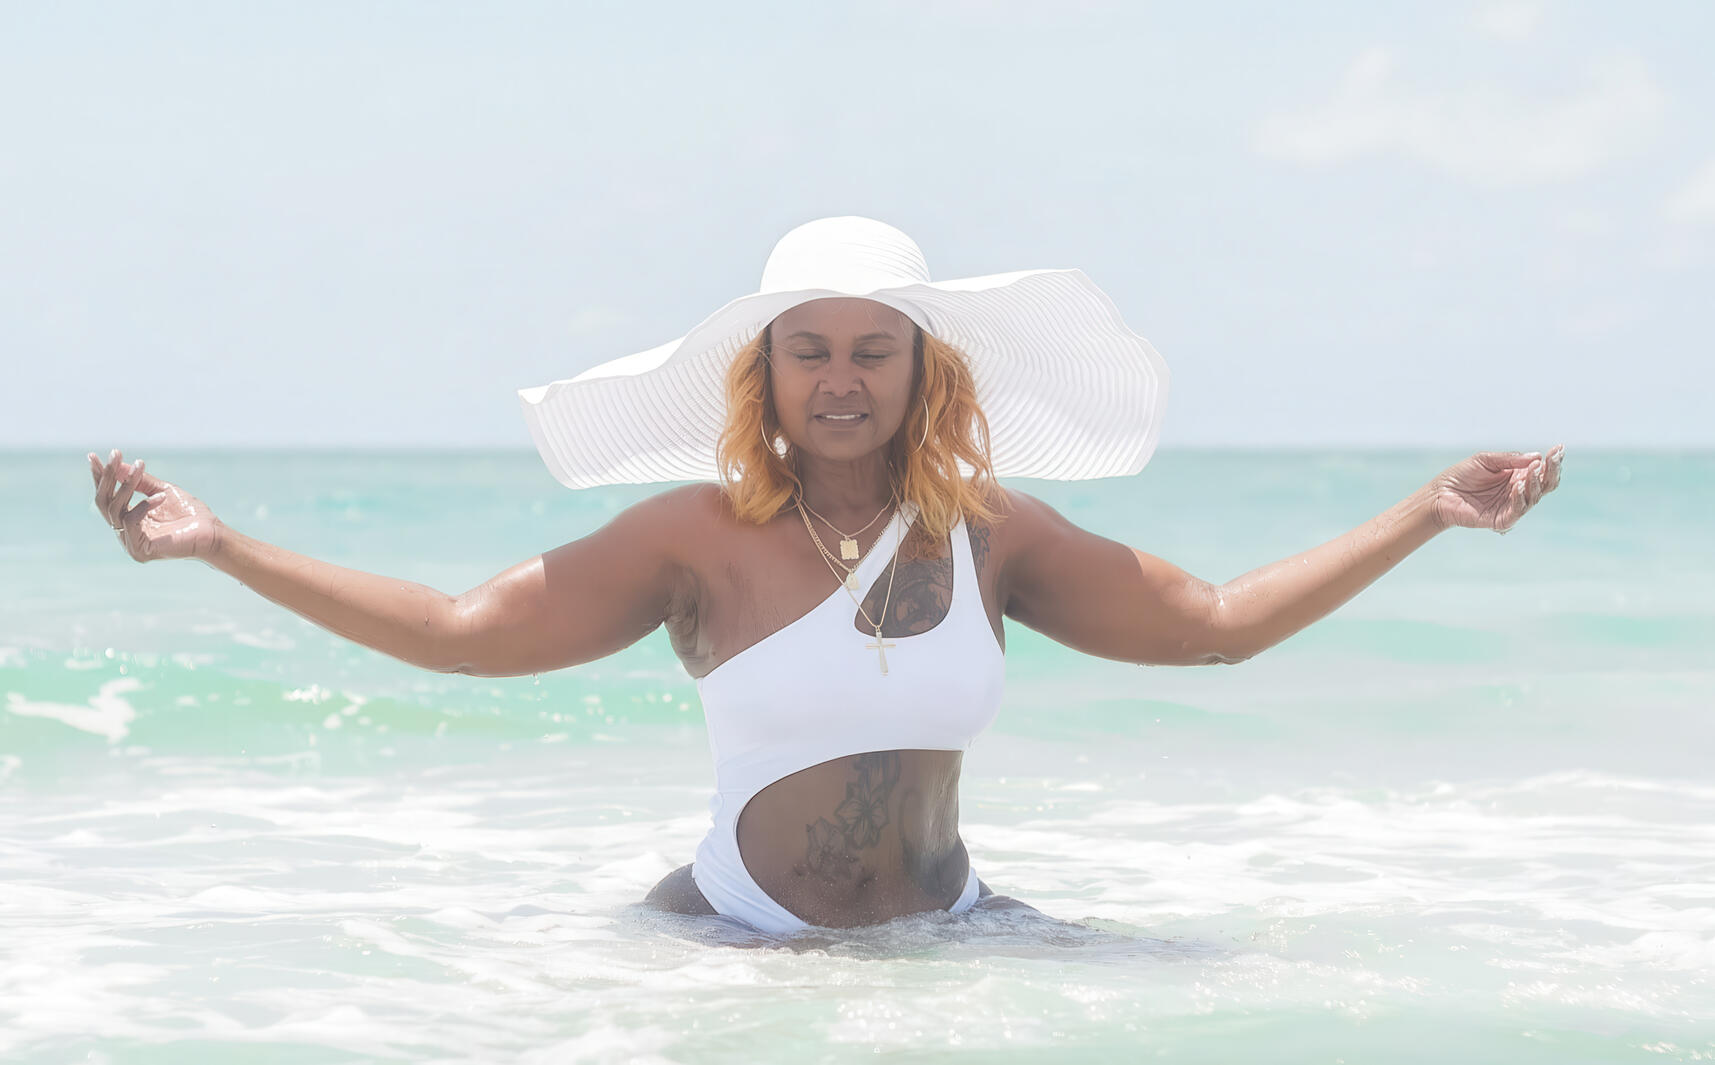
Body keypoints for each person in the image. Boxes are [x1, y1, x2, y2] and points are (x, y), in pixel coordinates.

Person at [87, 216, 1564, 938]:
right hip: (742, 949)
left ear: (924, 368)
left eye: (874, 349)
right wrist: (221, 546)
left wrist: (1424, 510)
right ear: (769, 374)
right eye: (811, 350)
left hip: (957, 930)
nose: (842, 379)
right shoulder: (694, 539)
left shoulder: (998, 531)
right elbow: (468, 633)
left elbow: (1220, 626)